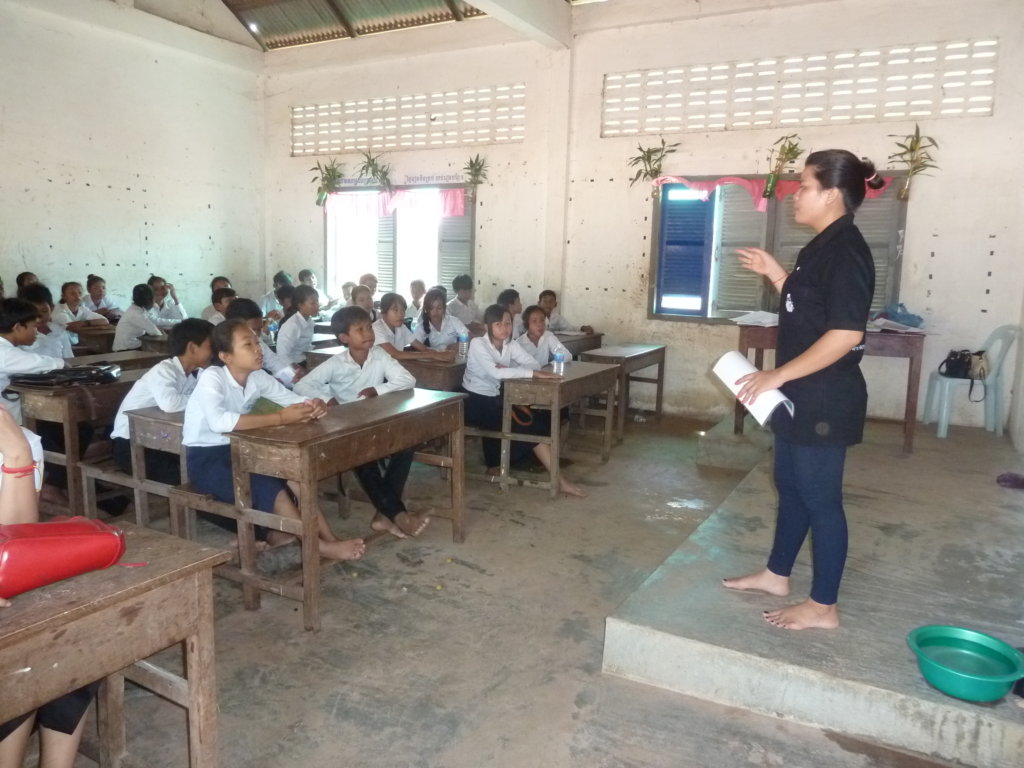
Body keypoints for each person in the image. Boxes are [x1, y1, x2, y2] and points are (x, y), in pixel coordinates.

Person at [722, 149, 882, 631]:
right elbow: (808, 303)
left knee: (820, 498)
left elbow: (845, 333)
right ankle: (776, 575)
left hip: (825, 397)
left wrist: (775, 375)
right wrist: (774, 272)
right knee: (789, 486)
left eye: (805, 186)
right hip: (800, 394)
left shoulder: (848, 250)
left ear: (831, 194)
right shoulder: (819, 246)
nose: (795, 194)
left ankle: (824, 607)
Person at [183, 319, 365, 559]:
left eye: (257, 343)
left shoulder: (257, 377)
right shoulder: (213, 377)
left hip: (241, 451)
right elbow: (220, 422)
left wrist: (314, 403)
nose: (258, 349)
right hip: (206, 459)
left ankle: (329, 539)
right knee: (270, 487)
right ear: (226, 356)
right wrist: (280, 418)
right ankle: (316, 546)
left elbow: (290, 399)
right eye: (248, 345)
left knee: (297, 479)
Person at [0, 404, 99, 768]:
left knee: (69, 636)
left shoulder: (22, 440)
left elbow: (16, 539)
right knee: (16, 659)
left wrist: (17, 454)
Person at [295, 306, 429, 538]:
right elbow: (301, 385)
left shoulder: (379, 355)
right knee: (362, 457)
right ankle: (397, 515)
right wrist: (329, 399)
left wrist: (377, 390)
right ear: (344, 338)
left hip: (376, 421)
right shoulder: (336, 363)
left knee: (407, 444)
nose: (368, 333)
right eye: (360, 330)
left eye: (369, 327)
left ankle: (383, 515)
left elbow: (408, 379)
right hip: (347, 428)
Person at [462, 304, 586, 497]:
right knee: (527, 426)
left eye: (508, 323)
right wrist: (524, 372)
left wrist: (510, 368)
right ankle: (559, 480)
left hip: (495, 397)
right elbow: (497, 372)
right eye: (498, 324)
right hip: (474, 401)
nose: (504, 328)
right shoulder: (478, 344)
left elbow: (533, 363)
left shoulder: (510, 345)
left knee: (532, 421)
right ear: (487, 327)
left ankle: (507, 464)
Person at [111, 319, 214, 484]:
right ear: (192, 348)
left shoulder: (193, 374)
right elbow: (171, 404)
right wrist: (202, 401)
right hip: (131, 447)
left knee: (202, 465)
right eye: (211, 347)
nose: (216, 352)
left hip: (158, 441)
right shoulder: (164, 370)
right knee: (189, 476)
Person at [224, 298, 305, 388]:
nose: (257, 334)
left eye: (259, 329)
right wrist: (269, 381)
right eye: (253, 329)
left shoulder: (259, 343)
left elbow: (274, 362)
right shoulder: (224, 349)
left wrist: (292, 375)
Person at [372, 293, 453, 363]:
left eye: (403, 310)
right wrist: (433, 355)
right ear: (383, 311)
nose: (401, 314)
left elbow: (422, 348)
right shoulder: (376, 328)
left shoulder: (401, 327)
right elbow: (395, 354)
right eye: (395, 310)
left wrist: (441, 354)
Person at [18, 284, 72, 359]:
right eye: (33, 312)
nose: (38, 317)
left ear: (52, 308)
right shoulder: (19, 334)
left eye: (44, 311)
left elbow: (69, 358)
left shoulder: (60, 331)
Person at [113, 284, 164, 351]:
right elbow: (155, 332)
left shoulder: (136, 309)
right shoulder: (136, 313)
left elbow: (151, 325)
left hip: (130, 347)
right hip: (126, 350)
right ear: (151, 299)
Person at [276, 285, 318, 366]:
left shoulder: (309, 322)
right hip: (292, 365)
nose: (317, 306)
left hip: (304, 361)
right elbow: (282, 355)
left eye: (317, 302)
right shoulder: (292, 325)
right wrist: (296, 370)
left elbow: (305, 346)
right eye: (313, 303)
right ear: (300, 305)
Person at [414, 287, 467, 352]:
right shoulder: (421, 326)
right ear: (426, 309)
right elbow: (416, 347)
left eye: (439, 308)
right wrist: (432, 353)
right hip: (432, 359)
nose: (435, 311)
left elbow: (466, 336)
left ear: (444, 308)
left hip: (453, 358)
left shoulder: (454, 321)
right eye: (431, 308)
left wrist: (459, 345)